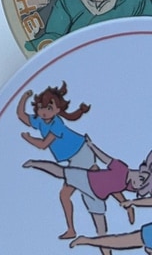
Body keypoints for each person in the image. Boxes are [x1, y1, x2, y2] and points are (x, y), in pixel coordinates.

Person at [24, 137, 152, 254]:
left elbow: (117, 192)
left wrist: (130, 205)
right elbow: (105, 158)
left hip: (97, 198)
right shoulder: (122, 168)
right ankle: (34, 163)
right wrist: (92, 146)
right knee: (61, 172)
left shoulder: (129, 186)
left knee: (102, 230)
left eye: (140, 186)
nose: (137, 185)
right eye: (141, 179)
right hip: (87, 180)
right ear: (140, 170)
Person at [17, 83, 102, 238]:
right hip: (76, 157)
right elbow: (22, 116)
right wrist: (24, 97)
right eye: (41, 108)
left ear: (57, 110)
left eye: (49, 108)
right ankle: (73, 229)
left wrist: (28, 138)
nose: (44, 112)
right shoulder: (40, 120)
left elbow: (43, 145)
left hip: (81, 154)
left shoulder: (57, 123)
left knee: (69, 193)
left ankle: (73, 230)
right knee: (90, 184)